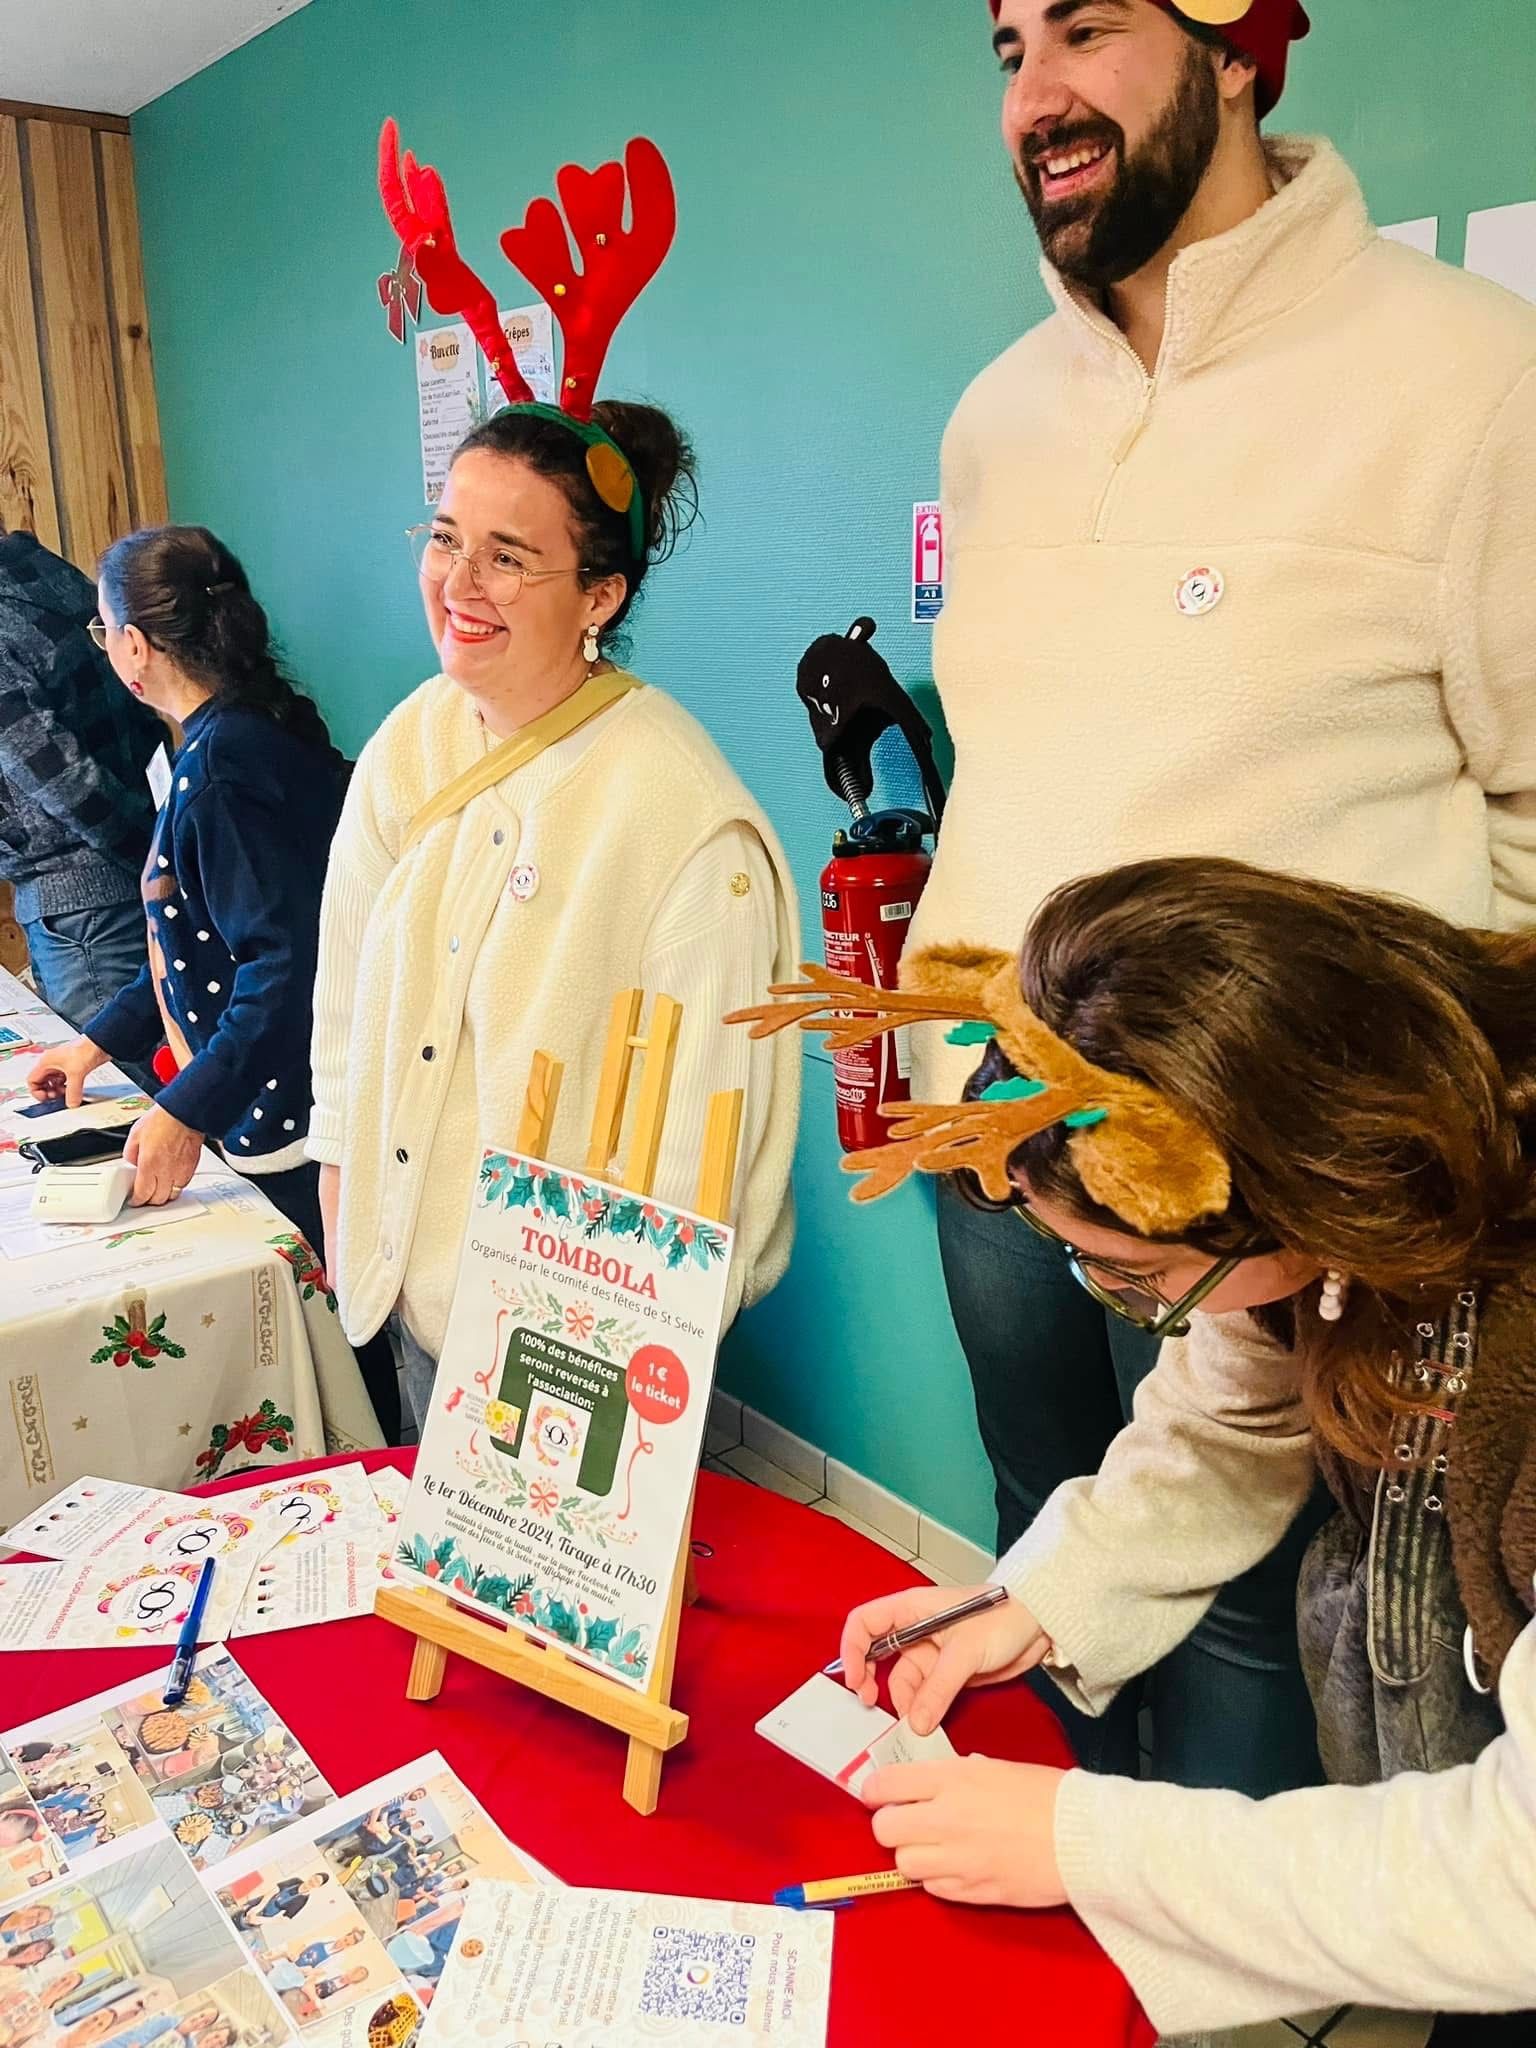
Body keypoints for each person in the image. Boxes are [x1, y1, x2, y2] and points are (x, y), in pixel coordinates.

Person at [913, 0, 1536, 1794]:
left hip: (1289, 1201)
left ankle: (1206, 1921)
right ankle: (1049, 1871)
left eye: (1088, 30)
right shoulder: (993, 419)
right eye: (1009, 48)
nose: (1035, 95)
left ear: (1240, 50)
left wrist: (1397, 1118)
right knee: (1048, 1548)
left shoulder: (1476, 379)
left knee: (1264, 1617)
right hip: (1001, 1153)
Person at [758, 858, 1536, 2041]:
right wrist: (1032, 1598)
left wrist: (1092, 1845)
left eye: (1148, 1276)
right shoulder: (1354, 1204)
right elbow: (1227, 1417)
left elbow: (1511, 1875)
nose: (1150, 1312)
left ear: (1297, 1191)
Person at [310, 405, 801, 1428]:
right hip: (408, 1296)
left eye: (508, 558)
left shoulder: (679, 819)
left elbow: (698, 1157)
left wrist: (591, 1384)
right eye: (446, 538)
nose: (458, 584)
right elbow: (347, 1001)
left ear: (600, 594)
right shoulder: (413, 742)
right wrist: (345, 1192)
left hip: (571, 1348)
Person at [26, 525, 398, 1440]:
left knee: (342, 1348)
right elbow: (195, 944)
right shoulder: (235, 739)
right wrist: (98, 1043)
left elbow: (281, 968)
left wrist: (186, 1109)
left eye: (104, 630)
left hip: (293, 1119)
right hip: (283, 1098)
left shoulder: (223, 773)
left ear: (136, 648)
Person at [0, 523, 162, 1032]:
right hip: (117, 874)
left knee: (111, 1078)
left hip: (86, 908)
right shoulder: (39, 569)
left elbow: (61, 778)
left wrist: (149, 856)